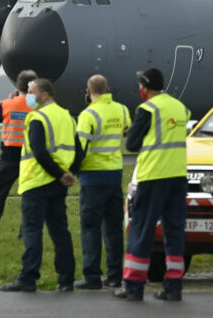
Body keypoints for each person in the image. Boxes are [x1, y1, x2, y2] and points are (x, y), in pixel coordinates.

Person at [0, 78, 82, 293]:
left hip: (37, 182)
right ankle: (66, 279)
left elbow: (39, 152)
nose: (27, 95)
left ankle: (28, 277)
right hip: (58, 185)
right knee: (60, 232)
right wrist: (69, 173)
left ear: (45, 94)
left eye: (31, 91)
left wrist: (57, 174)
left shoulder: (37, 117)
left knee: (32, 231)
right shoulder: (66, 116)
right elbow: (79, 149)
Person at [115, 68, 189, 302]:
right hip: (178, 176)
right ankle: (174, 285)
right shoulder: (180, 108)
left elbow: (132, 143)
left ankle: (134, 285)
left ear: (145, 87)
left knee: (142, 230)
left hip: (153, 176)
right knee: (174, 231)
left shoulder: (147, 109)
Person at [74, 74, 130, 290]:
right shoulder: (122, 110)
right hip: (114, 174)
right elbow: (127, 131)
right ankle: (115, 275)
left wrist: (73, 171)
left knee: (91, 227)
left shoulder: (88, 114)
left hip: (92, 176)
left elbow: (82, 149)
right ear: (107, 89)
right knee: (114, 228)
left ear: (89, 92)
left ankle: (92, 276)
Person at [0, 69, 38, 241]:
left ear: (17, 86)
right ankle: (24, 234)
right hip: (30, 157)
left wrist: (11, 100)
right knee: (29, 198)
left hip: (8, 157)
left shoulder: (8, 103)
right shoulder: (38, 105)